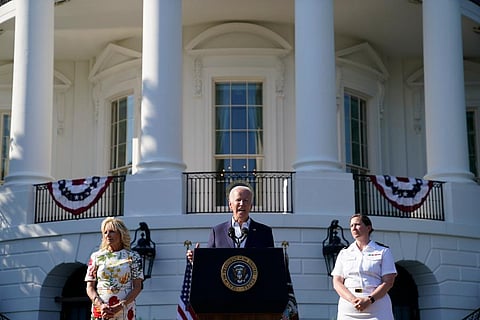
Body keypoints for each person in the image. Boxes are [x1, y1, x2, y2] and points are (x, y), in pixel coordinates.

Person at [331, 214, 397, 320]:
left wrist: (369, 300)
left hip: (377, 307)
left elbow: (388, 281)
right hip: (349, 308)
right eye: (351, 225)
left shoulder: (383, 251)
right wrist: (353, 300)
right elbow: (337, 282)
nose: (353, 228)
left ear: (368, 227)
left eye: (357, 224)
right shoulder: (344, 253)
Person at [187, 184, 274, 260]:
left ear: (251, 206)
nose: (242, 203)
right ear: (230, 205)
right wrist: (197, 260)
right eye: (238, 200)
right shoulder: (217, 232)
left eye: (246, 200)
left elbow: (270, 263)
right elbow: (210, 262)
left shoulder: (264, 232)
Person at [85, 217, 144, 320]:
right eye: (105, 232)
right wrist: (101, 305)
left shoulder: (134, 257)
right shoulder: (96, 257)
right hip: (101, 311)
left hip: (125, 310)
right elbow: (90, 287)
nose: (108, 235)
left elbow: (137, 287)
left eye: (112, 231)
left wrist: (121, 305)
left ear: (121, 234)